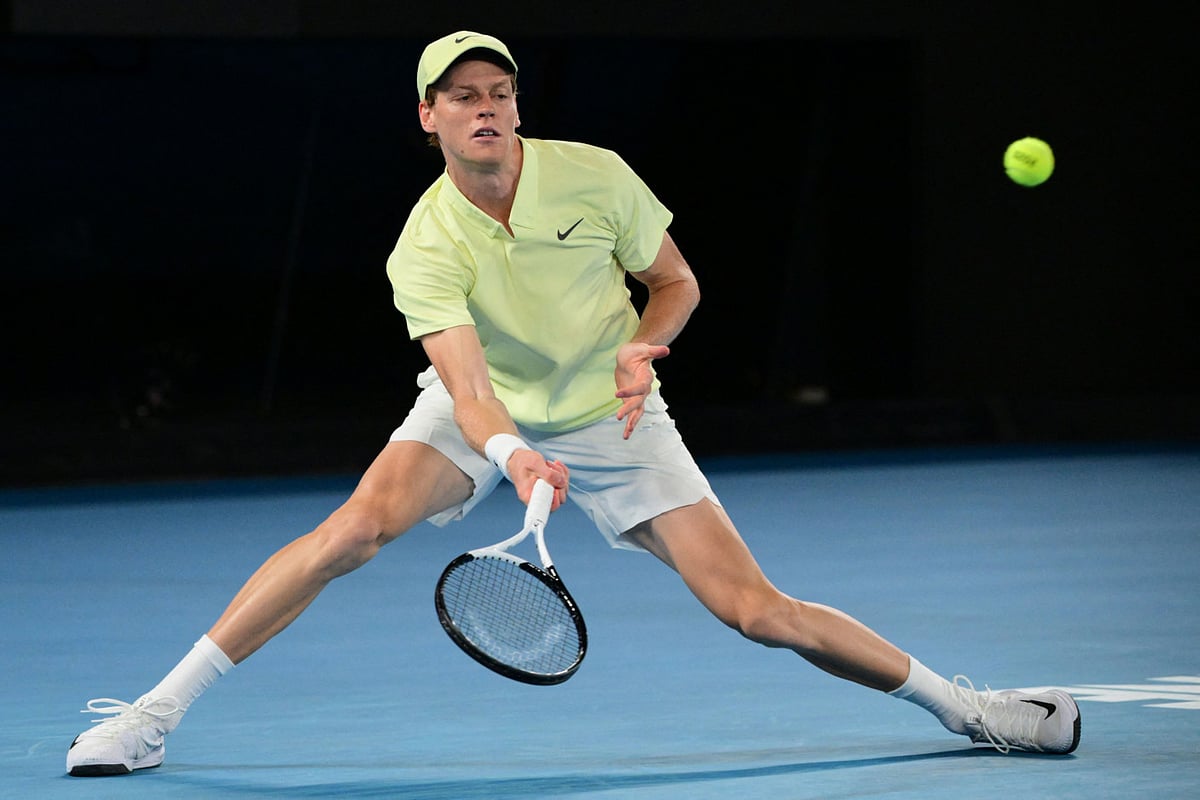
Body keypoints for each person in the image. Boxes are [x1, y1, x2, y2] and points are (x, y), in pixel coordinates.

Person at [66, 30, 1081, 777]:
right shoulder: (424, 244)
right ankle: (154, 712)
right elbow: (464, 388)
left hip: (614, 413)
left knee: (755, 610)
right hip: (488, 410)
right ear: (429, 118)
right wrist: (512, 452)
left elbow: (676, 284)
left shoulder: (595, 178)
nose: (485, 107)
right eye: (460, 95)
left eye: (498, 90)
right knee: (352, 531)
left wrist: (647, 346)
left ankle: (970, 706)